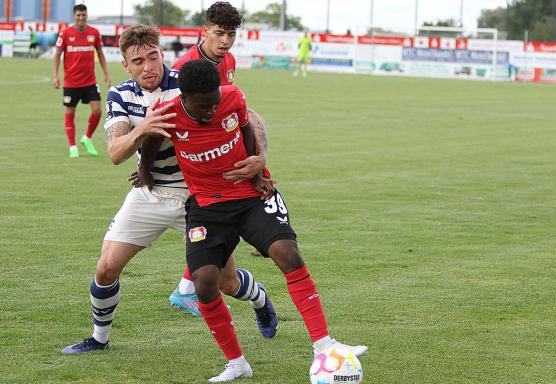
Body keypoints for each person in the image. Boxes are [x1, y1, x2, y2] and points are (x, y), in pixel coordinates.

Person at [60, 24, 277, 355]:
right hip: (149, 193)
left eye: (153, 57)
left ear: (163, 54)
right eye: (137, 61)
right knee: (105, 268)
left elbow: (248, 115)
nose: (147, 67)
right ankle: (98, 339)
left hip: (198, 197)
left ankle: (259, 298)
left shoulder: (185, 83)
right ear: (126, 65)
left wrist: (259, 159)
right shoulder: (121, 95)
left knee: (226, 282)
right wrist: (142, 129)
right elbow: (116, 153)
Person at [159, 59, 368, 382]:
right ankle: (237, 364)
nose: (213, 112)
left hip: (249, 196)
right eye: (205, 107)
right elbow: (147, 144)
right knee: (204, 281)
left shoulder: (233, 97)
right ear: (185, 98)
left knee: (288, 254)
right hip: (207, 206)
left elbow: (246, 131)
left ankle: (324, 344)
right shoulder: (169, 114)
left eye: (215, 103)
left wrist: (257, 169)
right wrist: (145, 174)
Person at [164, 1, 269, 310]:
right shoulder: (182, 68)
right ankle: (188, 288)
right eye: (220, 33)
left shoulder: (230, 61)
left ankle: (187, 287)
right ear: (205, 30)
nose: (225, 41)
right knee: (222, 225)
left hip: (225, 155)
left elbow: (232, 112)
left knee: (227, 224)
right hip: (197, 162)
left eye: (232, 34)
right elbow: (169, 119)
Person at [52, 4, 111, 158]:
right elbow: (57, 54)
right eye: (78, 15)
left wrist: (106, 73)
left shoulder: (94, 33)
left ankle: (87, 138)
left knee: (98, 110)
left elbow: (100, 53)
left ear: (87, 15)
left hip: (90, 81)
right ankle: (72, 146)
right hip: (71, 82)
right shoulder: (65, 33)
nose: (81, 18)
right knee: (70, 112)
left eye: (83, 15)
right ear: (74, 16)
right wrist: (55, 76)